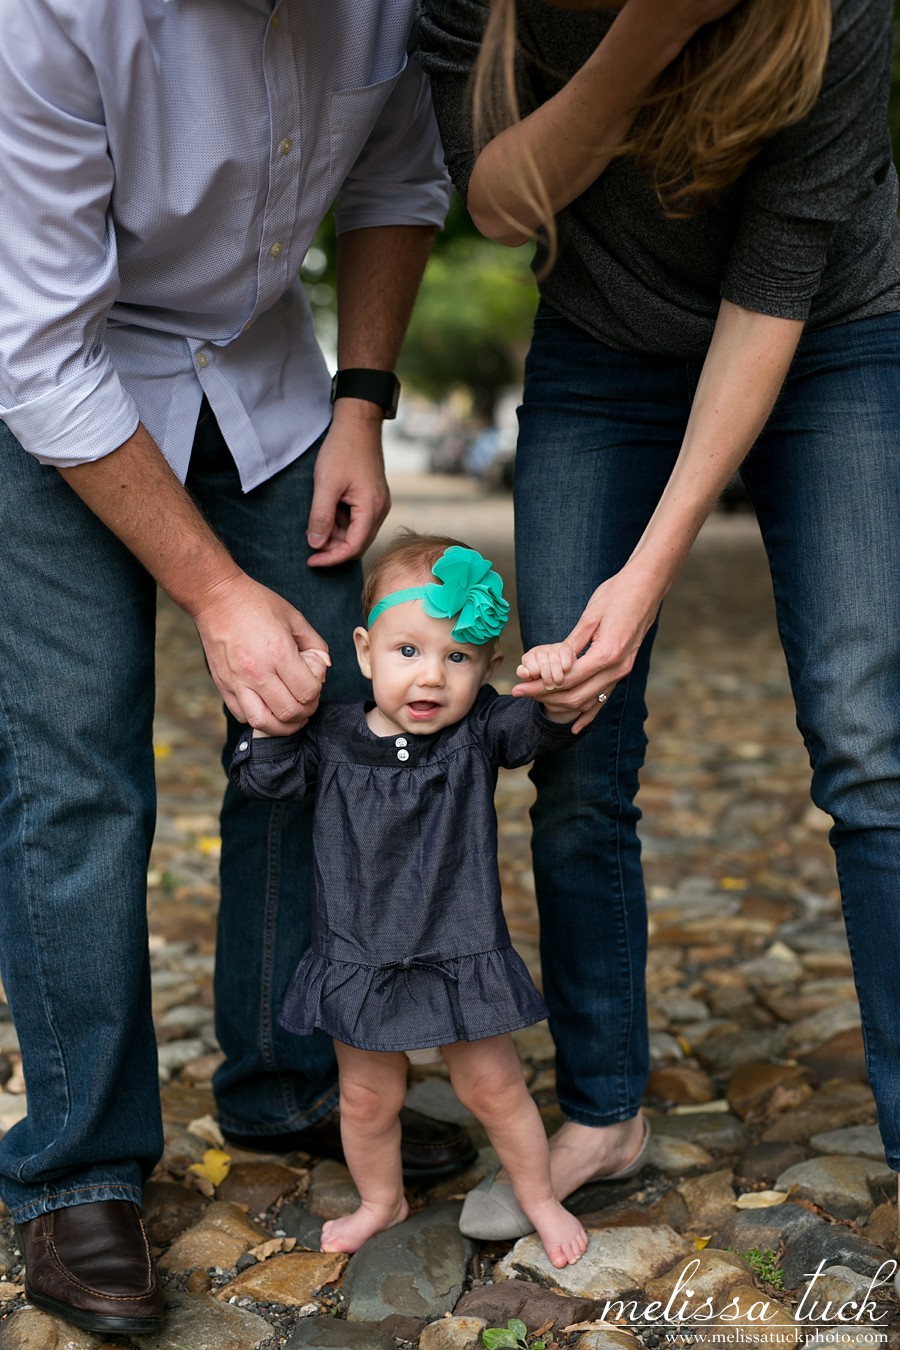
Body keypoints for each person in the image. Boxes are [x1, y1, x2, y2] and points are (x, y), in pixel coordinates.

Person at [0, 1, 474, 1336]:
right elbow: (38, 349)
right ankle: (78, 1166)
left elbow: (396, 175)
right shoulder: (45, 16)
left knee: (324, 715)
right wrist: (213, 591)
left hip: (266, 372)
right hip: (55, 386)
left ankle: (283, 1075)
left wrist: (363, 400)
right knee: (76, 764)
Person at [418, 0, 900, 1240]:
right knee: (570, 729)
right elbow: (495, 205)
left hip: (832, 330)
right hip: (601, 336)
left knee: (866, 734)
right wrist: (643, 39)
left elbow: (775, 283)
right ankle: (604, 1105)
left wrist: (646, 578)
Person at [231, 533, 588, 1268]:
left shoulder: (481, 730)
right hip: (360, 953)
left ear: (486, 666)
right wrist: (272, 723)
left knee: (493, 1087)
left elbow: (542, 726)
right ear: (364, 651)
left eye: (456, 657)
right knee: (366, 1100)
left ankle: (540, 1195)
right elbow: (265, 781)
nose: (430, 677)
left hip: (457, 947)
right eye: (408, 652)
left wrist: (553, 682)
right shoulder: (328, 736)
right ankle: (379, 1200)